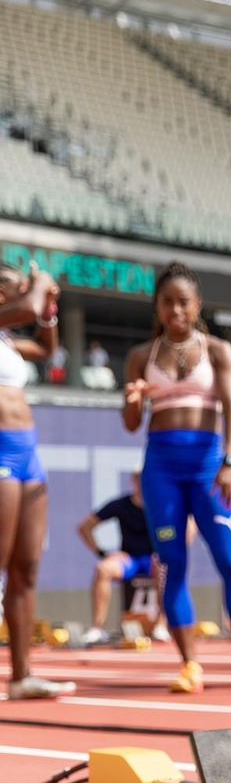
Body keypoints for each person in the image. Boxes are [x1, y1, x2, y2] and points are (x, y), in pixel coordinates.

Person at [122, 262, 231, 694]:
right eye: (167, 302)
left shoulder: (219, 351)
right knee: (171, 563)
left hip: (210, 467)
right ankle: (189, 664)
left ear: (197, 306)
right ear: (157, 307)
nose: (175, 310)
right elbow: (130, 422)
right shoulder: (141, 356)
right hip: (161, 467)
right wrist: (134, 400)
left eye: (183, 302)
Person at [0, 262, 73, 699]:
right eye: (13, 286)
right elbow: (28, 305)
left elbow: (47, 349)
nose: (22, 291)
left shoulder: (8, 342)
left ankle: (22, 675)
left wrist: (49, 310)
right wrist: (42, 285)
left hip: (28, 454)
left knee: (26, 567)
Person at [76, 471, 169, 645]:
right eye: (138, 479)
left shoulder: (162, 505)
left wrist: (165, 549)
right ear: (133, 481)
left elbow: (185, 528)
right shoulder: (121, 505)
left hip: (154, 560)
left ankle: (161, 625)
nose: (142, 483)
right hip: (130, 560)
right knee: (103, 569)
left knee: (164, 567)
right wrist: (103, 552)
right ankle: (97, 627)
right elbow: (85, 527)